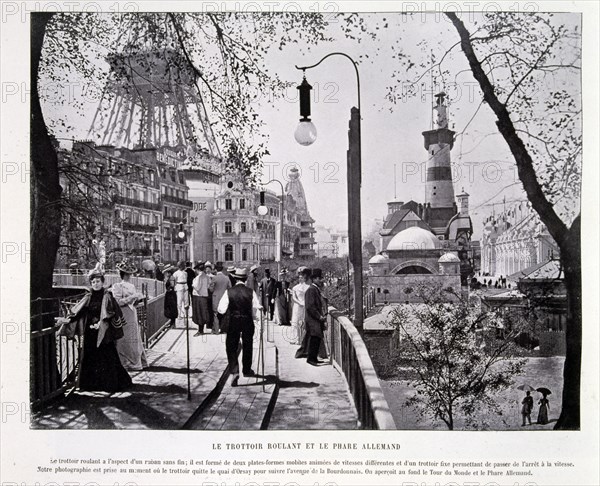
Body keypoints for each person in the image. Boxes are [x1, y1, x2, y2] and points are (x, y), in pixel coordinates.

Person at [55, 269, 132, 392]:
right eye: (93, 282)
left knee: (107, 356)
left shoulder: (107, 296)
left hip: (104, 331)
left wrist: (101, 323)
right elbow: (80, 311)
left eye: (98, 281)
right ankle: (91, 385)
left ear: (102, 282)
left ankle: (110, 384)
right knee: (90, 356)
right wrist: (68, 320)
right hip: (90, 331)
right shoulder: (88, 296)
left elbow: (113, 312)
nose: (95, 284)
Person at [217, 268, 262, 386]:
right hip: (247, 320)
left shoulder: (229, 292)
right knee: (248, 344)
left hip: (234, 321)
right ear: (246, 279)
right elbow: (258, 306)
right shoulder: (250, 292)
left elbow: (221, 309)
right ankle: (246, 369)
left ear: (235, 279)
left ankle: (234, 371)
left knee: (231, 346)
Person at [112, 262, 148, 371]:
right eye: (127, 274)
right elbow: (117, 302)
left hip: (131, 313)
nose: (129, 276)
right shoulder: (117, 286)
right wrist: (131, 298)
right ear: (123, 275)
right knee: (124, 337)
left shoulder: (131, 286)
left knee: (132, 337)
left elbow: (133, 302)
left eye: (129, 274)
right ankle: (125, 362)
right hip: (123, 313)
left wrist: (137, 299)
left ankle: (134, 361)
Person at [303, 268, 328, 366]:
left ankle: (314, 358)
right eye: (318, 278)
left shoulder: (315, 289)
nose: (320, 280)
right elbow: (310, 306)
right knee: (314, 338)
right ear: (313, 279)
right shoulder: (311, 290)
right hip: (313, 319)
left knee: (316, 338)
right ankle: (311, 358)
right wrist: (319, 316)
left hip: (315, 319)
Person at [210, 262, 231, 334]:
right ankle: (223, 329)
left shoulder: (214, 278)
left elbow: (211, 289)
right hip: (224, 297)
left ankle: (216, 330)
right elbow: (230, 288)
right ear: (222, 269)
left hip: (216, 297)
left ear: (216, 269)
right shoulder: (226, 278)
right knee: (224, 312)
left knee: (215, 313)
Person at [290, 267, 309, 345]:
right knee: (296, 322)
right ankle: (296, 338)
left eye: (302, 277)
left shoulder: (307, 287)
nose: (300, 279)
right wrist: (299, 303)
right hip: (297, 306)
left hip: (305, 305)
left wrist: (304, 303)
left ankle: (303, 339)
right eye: (299, 277)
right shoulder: (295, 287)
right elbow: (294, 297)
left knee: (303, 322)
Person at [191, 261, 211, 335]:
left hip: (198, 296)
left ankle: (200, 330)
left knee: (198, 313)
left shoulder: (199, 277)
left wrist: (193, 285)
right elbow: (209, 285)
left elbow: (197, 287)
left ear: (198, 269)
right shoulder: (206, 276)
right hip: (204, 296)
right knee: (203, 313)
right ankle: (201, 329)